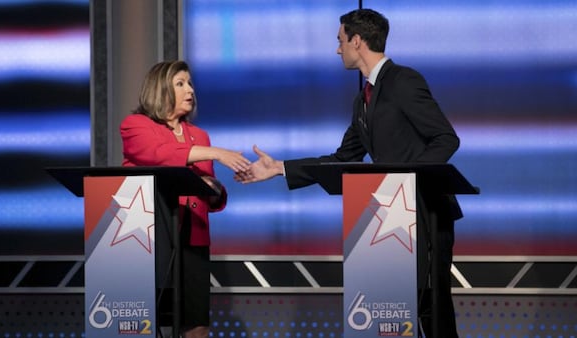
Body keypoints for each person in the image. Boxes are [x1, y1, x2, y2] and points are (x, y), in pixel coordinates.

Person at [236, 9, 462, 338]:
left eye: (340, 41)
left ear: (357, 41)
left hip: (424, 214)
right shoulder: (363, 101)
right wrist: (280, 169)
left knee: (430, 306)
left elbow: (446, 138)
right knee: (392, 314)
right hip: (390, 218)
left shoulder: (404, 81)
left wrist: (408, 184)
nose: (337, 49)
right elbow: (342, 158)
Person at [120, 60, 250, 338]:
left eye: (190, 83)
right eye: (180, 83)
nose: (190, 90)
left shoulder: (199, 135)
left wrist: (214, 190)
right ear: (160, 89)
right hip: (149, 240)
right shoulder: (135, 125)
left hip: (193, 239)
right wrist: (215, 153)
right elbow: (156, 154)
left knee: (196, 322)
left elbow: (209, 189)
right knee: (146, 321)